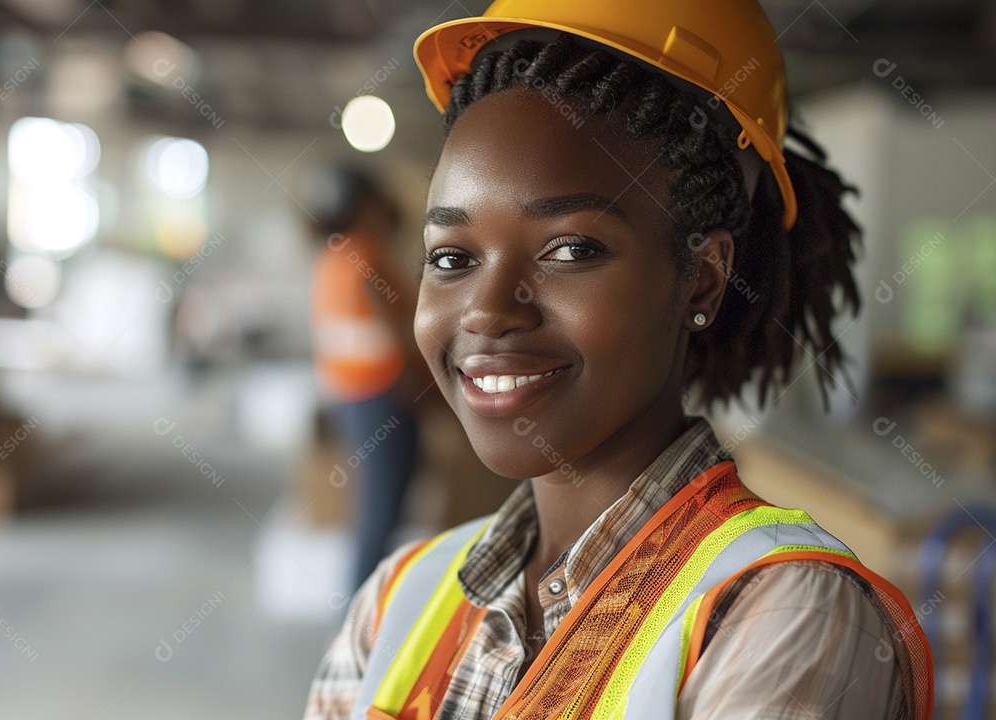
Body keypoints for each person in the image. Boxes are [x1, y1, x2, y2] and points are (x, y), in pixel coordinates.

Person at [305, 2, 933, 719]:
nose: (485, 310)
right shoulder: (395, 601)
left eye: (571, 250)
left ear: (702, 276)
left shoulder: (781, 617)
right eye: (452, 257)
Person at [308, 165, 422, 591]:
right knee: (382, 513)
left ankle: (359, 619)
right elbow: (402, 331)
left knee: (374, 511)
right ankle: (360, 624)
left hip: (348, 397)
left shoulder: (332, 255)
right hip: (382, 397)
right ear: (368, 206)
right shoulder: (367, 254)